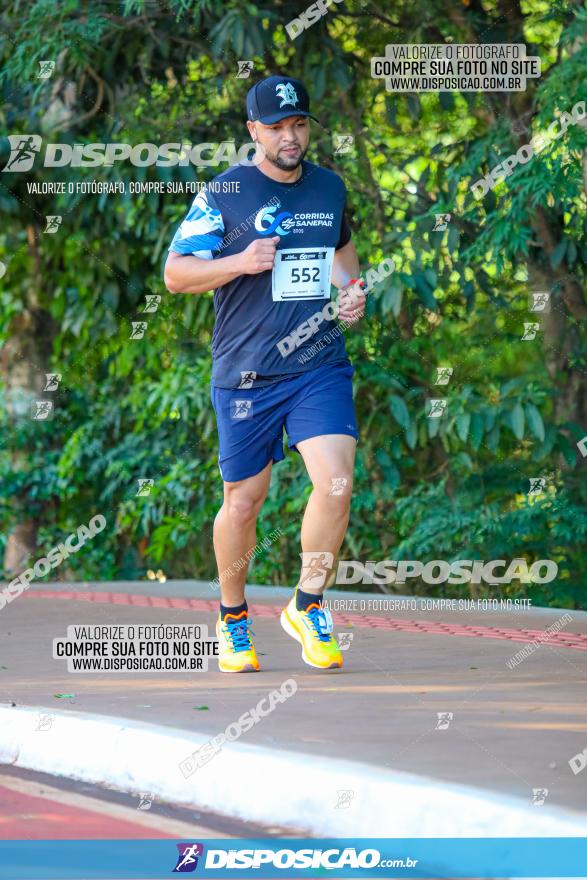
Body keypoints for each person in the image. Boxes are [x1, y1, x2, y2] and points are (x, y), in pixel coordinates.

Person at [164, 75, 365, 673]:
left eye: (298, 124)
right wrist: (238, 261)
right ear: (253, 131)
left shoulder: (329, 187)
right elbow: (176, 274)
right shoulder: (225, 193)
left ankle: (308, 605)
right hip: (247, 373)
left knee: (336, 483)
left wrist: (351, 292)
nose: (290, 137)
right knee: (244, 503)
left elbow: (342, 254)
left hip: (317, 366)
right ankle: (232, 618)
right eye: (276, 128)